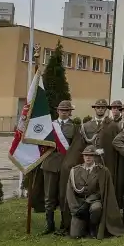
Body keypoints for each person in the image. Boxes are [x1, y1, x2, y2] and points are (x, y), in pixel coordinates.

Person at [65, 146, 124, 239]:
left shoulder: (102, 171)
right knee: (75, 235)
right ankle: (83, 224)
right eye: (86, 155)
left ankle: (93, 226)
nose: (88, 157)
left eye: (91, 155)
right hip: (79, 203)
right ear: (83, 156)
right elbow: (69, 192)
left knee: (96, 208)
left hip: (93, 201)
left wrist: (88, 202)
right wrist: (75, 209)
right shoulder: (74, 171)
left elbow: (102, 190)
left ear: (94, 157)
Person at [41, 100, 75, 235]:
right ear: (57, 111)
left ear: (70, 112)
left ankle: (64, 224)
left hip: (65, 165)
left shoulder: (74, 127)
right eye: (61, 110)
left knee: (64, 196)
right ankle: (49, 224)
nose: (64, 112)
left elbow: (75, 147)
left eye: (66, 110)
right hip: (50, 164)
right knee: (49, 196)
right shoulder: (49, 126)